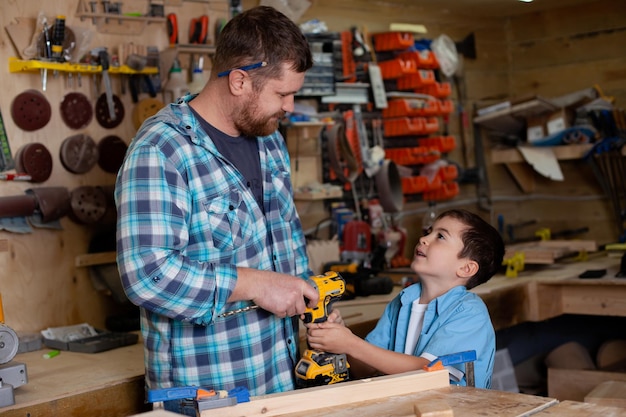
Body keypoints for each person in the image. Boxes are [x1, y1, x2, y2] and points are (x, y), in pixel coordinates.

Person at [114, 6, 317, 415]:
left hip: (279, 381)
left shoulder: (269, 139)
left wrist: (312, 301)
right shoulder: (162, 151)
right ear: (239, 81)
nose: (291, 106)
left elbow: (286, 239)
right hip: (208, 396)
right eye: (282, 94)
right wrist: (255, 285)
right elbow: (147, 275)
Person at [306, 209, 505, 389]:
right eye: (429, 232)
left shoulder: (469, 313)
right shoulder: (402, 302)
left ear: (466, 268)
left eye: (441, 236)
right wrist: (341, 337)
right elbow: (363, 369)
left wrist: (351, 344)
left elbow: (427, 373)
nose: (424, 239)